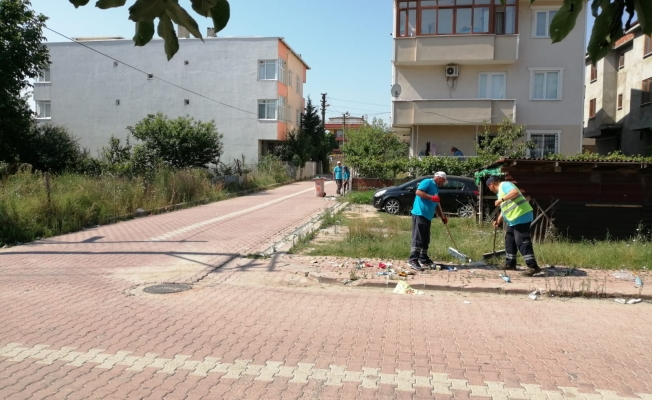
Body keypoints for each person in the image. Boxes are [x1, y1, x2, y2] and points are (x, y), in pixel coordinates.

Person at [486, 176, 541, 276]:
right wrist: (498, 220)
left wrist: (501, 200)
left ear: (491, 185)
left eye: (488, 187)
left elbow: (515, 192)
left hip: (522, 215)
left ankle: (533, 266)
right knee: (510, 239)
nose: (489, 190)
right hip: (513, 220)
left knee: (522, 241)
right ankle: (510, 263)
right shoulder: (500, 193)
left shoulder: (505, 185)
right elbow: (504, 209)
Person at [408, 171, 449, 271]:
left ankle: (423, 258)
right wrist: (432, 197)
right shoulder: (427, 182)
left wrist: (442, 217)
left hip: (427, 216)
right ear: (439, 178)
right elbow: (418, 192)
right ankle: (413, 260)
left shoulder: (435, 188)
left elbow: (436, 205)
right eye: (443, 181)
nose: (443, 183)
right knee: (418, 237)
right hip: (420, 213)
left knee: (425, 238)